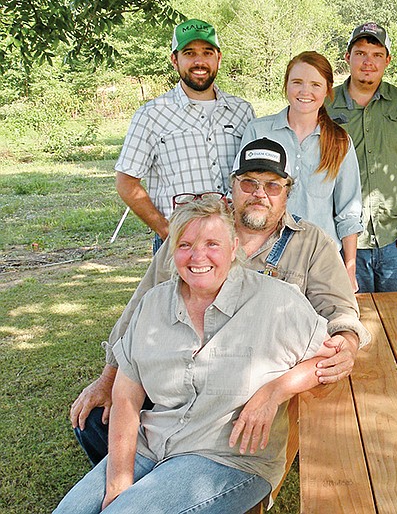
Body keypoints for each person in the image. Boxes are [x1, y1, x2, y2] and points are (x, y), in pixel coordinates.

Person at [71, 138, 369, 466]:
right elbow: (142, 305)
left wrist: (345, 346)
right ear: (233, 186)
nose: (260, 194)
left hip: (246, 389)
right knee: (96, 419)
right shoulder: (192, 234)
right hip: (180, 371)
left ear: (287, 193)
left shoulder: (312, 243)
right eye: (249, 183)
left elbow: (340, 310)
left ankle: (179, 476)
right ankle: (151, 472)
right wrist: (109, 377)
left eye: (272, 186)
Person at [54, 196, 333, 513]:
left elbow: (330, 358)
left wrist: (274, 391)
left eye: (212, 243)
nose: (198, 256)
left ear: (234, 247)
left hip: (228, 458)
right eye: (185, 244)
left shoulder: (276, 301)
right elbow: (127, 395)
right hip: (153, 443)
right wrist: (119, 479)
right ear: (171, 251)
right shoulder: (154, 304)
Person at [115, 18, 254, 252]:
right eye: (189, 53)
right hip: (180, 243)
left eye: (207, 52)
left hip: (234, 241)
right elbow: (126, 181)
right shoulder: (152, 114)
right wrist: (165, 229)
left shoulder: (242, 111)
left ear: (218, 58)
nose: (199, 61)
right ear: (174, 59)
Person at [329, 22, 397, 292]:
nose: (369, 62)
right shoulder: (325, 105)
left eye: (377, 55)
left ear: (387, 60)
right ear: (348, 57)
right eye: (361, 53)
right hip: (343, 241)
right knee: (351, 324)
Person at [240, 51, 363, 291]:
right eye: (297, 82)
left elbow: (349, 211)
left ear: (328, 90)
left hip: (322, 260)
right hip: (266, 259)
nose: (305, 91)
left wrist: (349, 269)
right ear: (286, 85)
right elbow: (242, 197)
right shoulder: (259, 131)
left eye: (315, 84)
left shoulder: (339, 141)